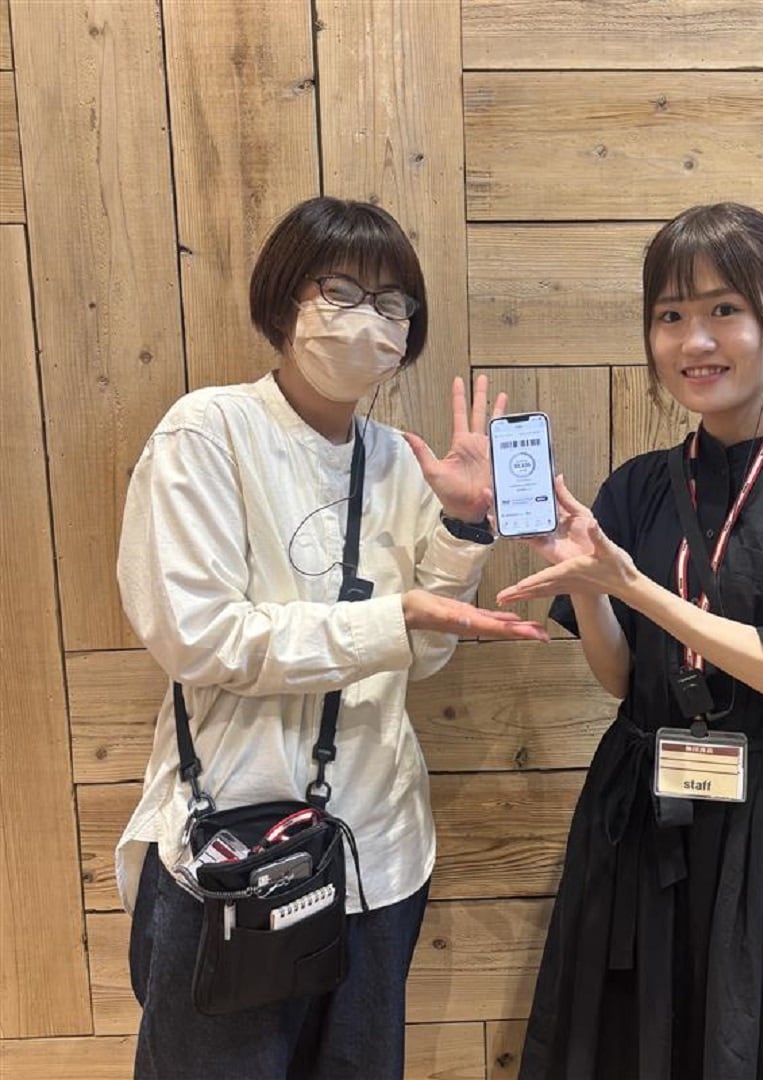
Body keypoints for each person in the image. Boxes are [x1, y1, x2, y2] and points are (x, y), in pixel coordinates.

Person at [116, 195, 546, 1079]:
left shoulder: (400, 460)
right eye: (341, 291)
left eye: (392, 304)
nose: (369, 320)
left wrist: (464, 530)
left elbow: (423, 652)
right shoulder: (208, 432)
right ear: (284, 302)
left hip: (376, 852)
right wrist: (397, 617)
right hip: (231, 848)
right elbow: (198, 636)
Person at [498, 202, 763, 1079]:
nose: (695, 341)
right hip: (642, 812)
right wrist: (587, 588)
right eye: (670, 315)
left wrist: (634, 586)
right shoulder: (640, 486)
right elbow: (622, 680)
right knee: (630, 1044)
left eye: (724, 309)